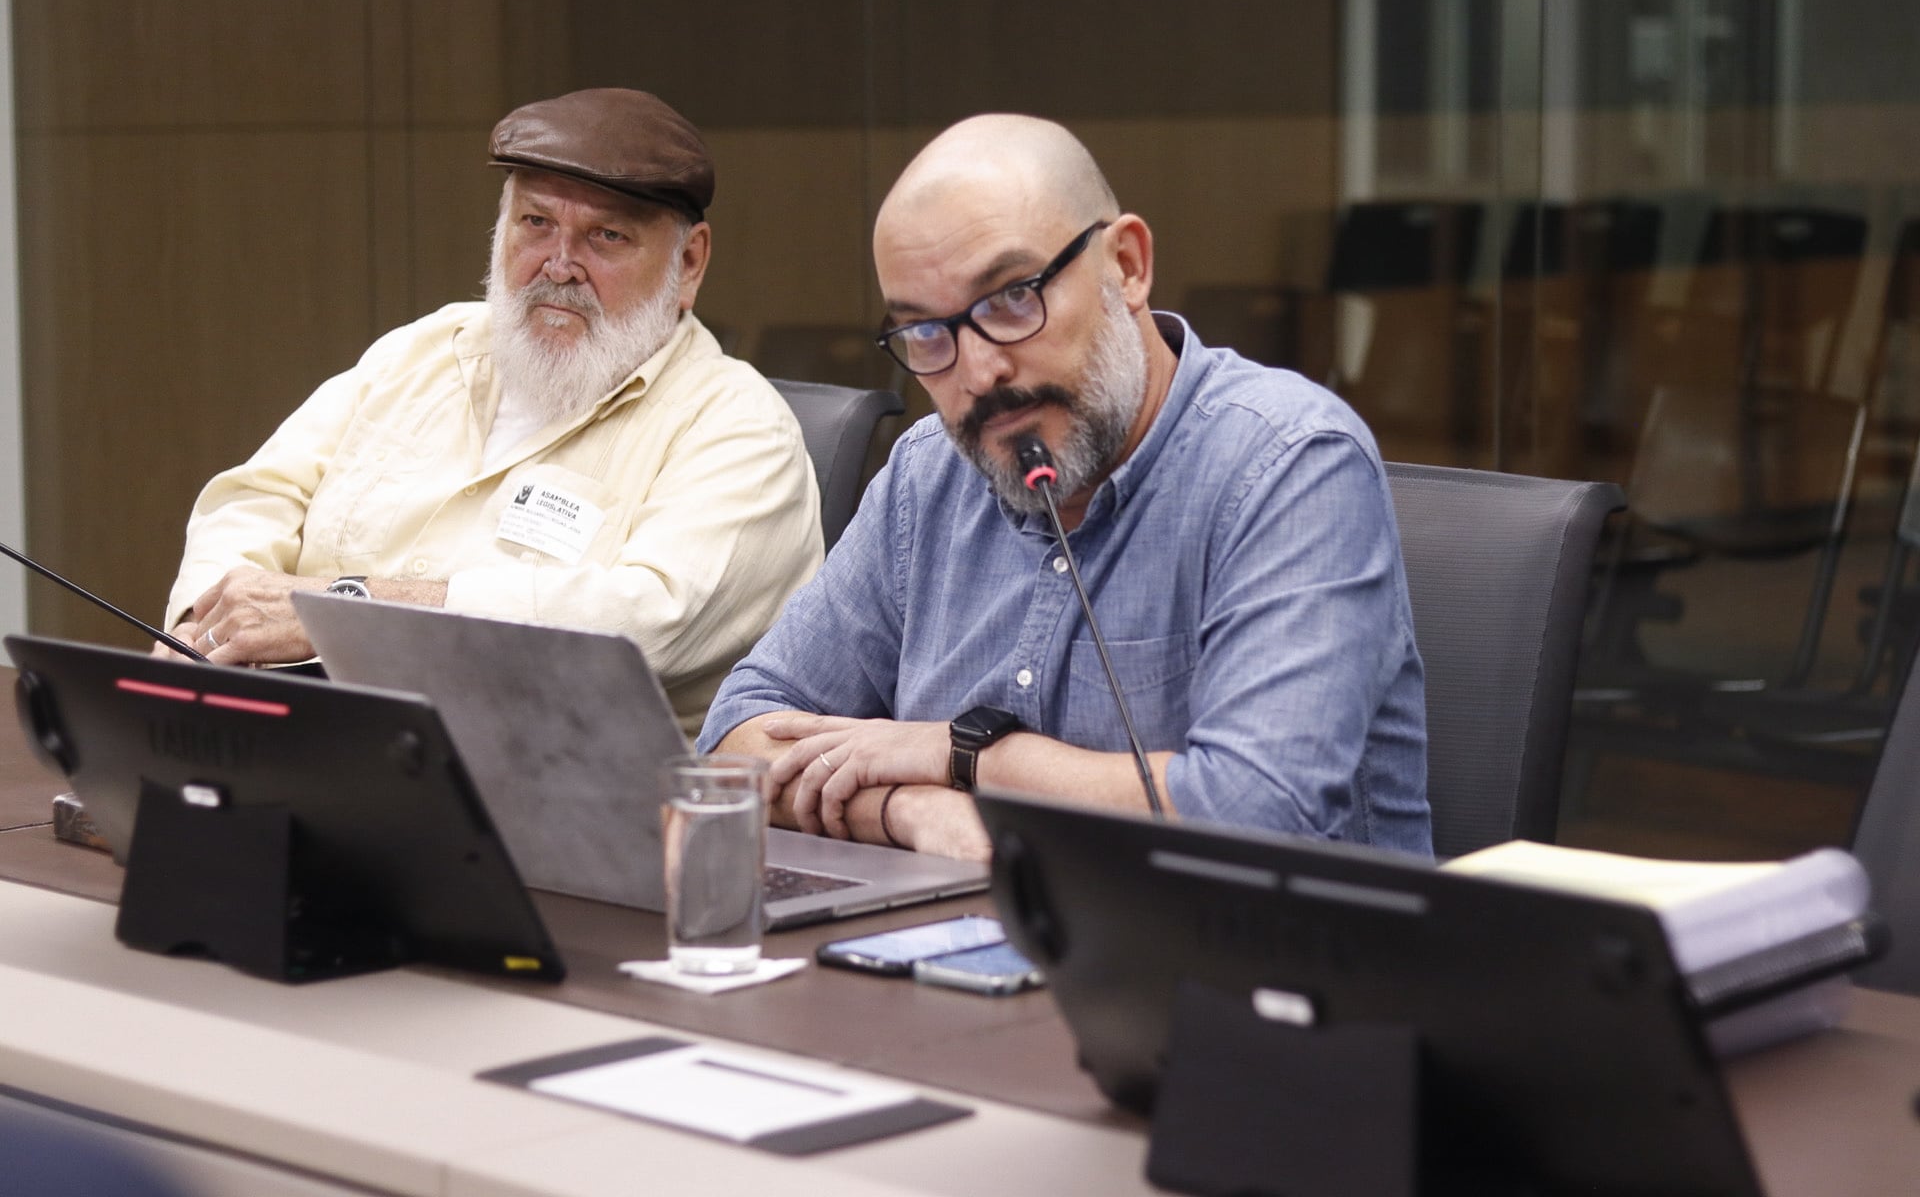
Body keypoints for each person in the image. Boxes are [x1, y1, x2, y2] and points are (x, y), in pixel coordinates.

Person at [699, 114, 1431, 858]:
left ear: (1128, 265)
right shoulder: (930, 473)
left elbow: (1259, 812)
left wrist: (968, 756)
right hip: (949, 923)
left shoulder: (1290, 462)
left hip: (1234, 931)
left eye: (1013, 298)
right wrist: (907, 811)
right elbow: (737, 735)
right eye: (925, 332)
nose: (979, 373)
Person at [162, 88, 821, 733]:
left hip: (569, 783)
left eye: (607, 236)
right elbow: (259, 497)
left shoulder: (740, 428)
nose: (559, 266)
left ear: (690, 262)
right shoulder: (425, 350)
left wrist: (345, 612)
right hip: (318, 745)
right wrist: (204, 630)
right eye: (536, 224)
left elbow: (638, 623)